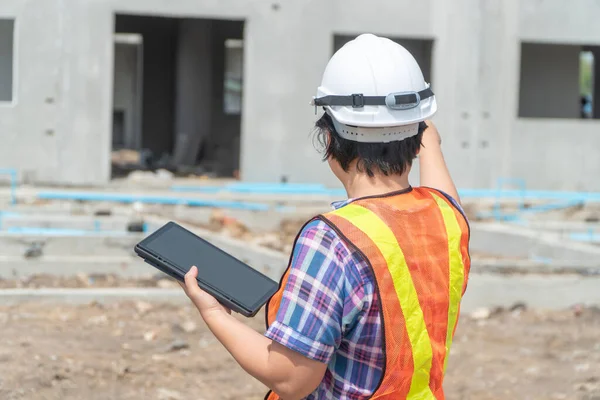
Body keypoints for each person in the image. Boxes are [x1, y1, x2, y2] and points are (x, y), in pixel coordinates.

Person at [180, 33, 471, 400]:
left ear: (330, 140)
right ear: (417, 135)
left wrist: (214, 313)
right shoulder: (447, 220)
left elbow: (290, 379)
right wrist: (408, 117)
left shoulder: (335, 240)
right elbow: (434, 153)